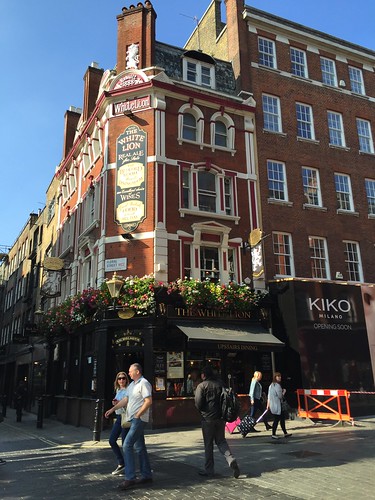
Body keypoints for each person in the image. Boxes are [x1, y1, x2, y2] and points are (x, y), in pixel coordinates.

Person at [104, 363, 153, 491]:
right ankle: (147, 475)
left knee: (127, 445)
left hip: (139, 420)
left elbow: (148, 401)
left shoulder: (144, 383)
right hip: (132, 419)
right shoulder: (132, 385)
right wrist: (112, 409)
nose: (129, 373)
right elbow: (125, 400)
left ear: (137, 371)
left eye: (130, 371)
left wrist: (138, 414)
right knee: (140, 447)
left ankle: (130, 478)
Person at [194, 366, 240, 478]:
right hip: (220, 418)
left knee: (208, 444)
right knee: (221, 441)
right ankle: (230, 459)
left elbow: (198, 404)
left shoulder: (202, 386)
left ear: (204, 375)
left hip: (207, 419)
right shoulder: (220, 384)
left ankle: (209, 470)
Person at [109, 371, 130, 476]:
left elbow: (128, 404)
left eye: (123, 378)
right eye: (119, 378)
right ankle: (121, 463)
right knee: (112, 440)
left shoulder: (128, 390)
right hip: (118, 418)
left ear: (126, 379)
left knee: (125, 443)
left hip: (125, 418)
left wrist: (117, 405)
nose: (121, 380)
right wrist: (115, 404)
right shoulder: (118, 389)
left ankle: (127, 466)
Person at [267, 372, 292, 439]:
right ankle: (273, 434)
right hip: (278, 405)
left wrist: (268, 404)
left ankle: (285, 432)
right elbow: (280, 396)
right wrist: (283, 391)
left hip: (273, 405)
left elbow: (269, 396)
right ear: (275, 377)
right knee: (277, 419)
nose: (280, 377)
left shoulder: (271, 385)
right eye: (278, 376)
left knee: (281, 419)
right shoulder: (277, 386)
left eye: (280, 376)